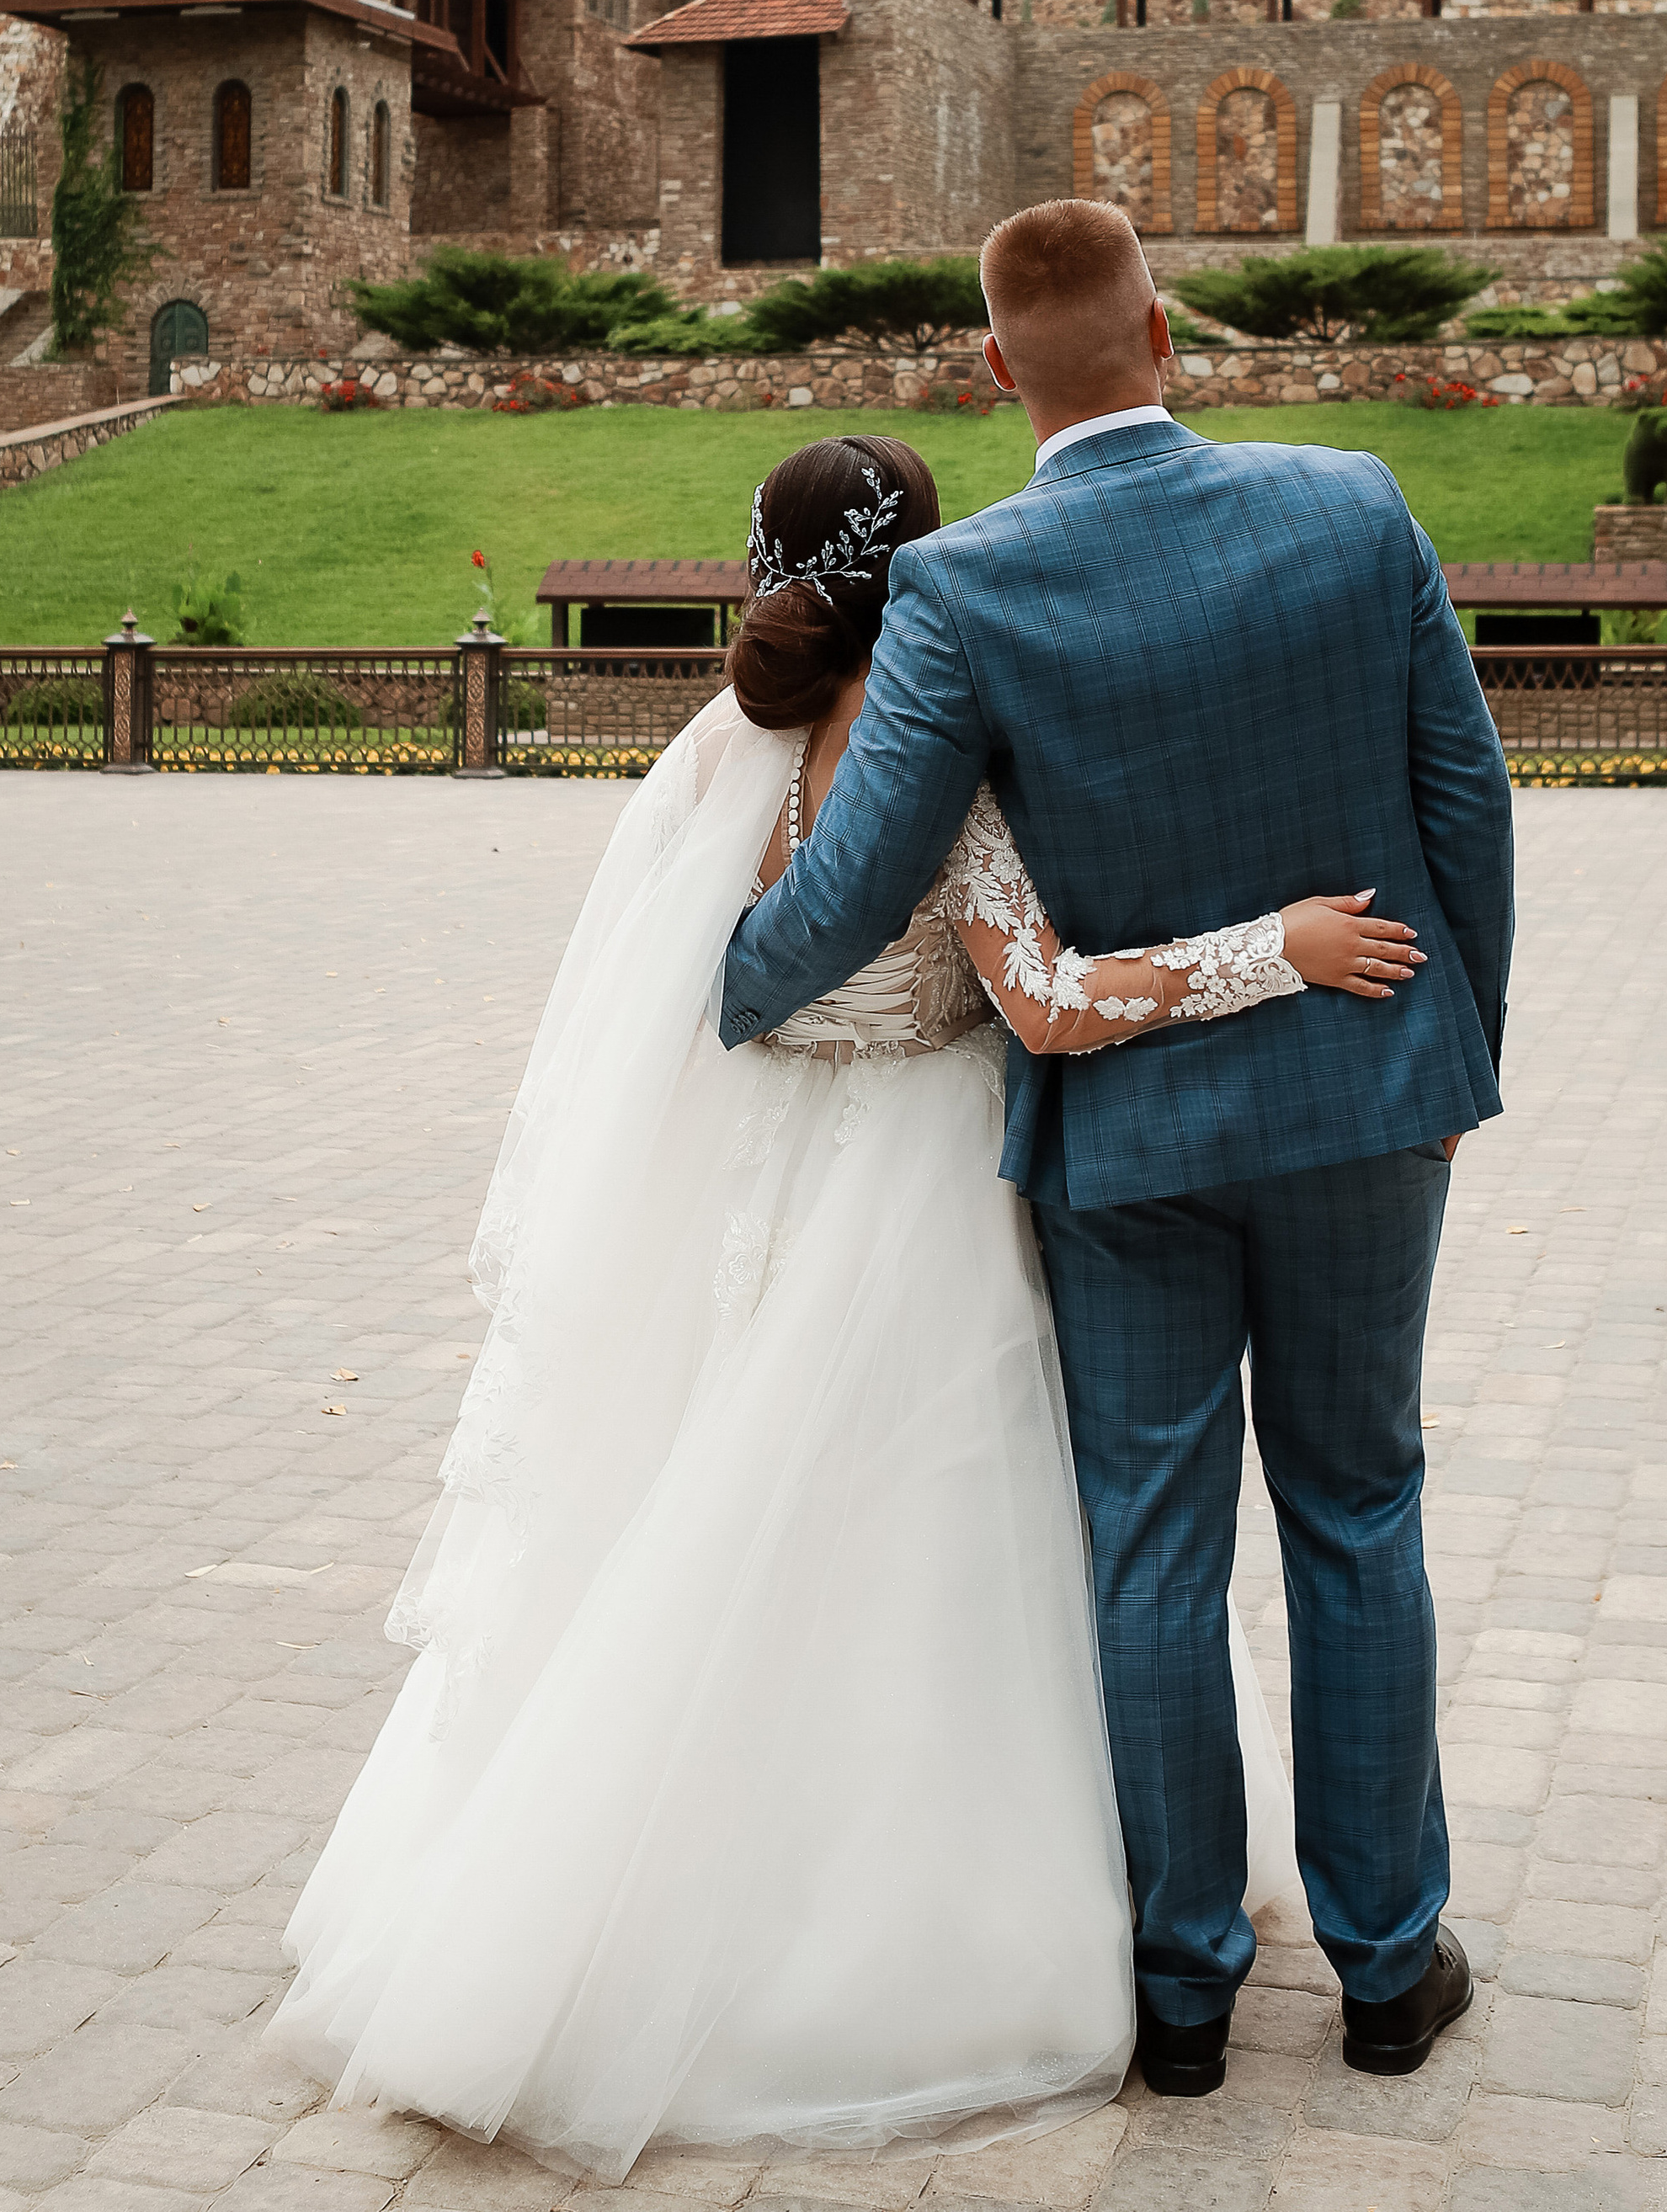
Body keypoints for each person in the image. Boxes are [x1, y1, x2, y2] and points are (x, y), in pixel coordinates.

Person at [269, 428, 1427, 2175]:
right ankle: (911, 1952)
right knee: (934, 1557)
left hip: (774, 1199)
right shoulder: (930, 764)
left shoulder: (725, 760)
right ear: (934, 567)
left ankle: (604, 1912)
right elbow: (1042, 1004)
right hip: (921, 1209)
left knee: (730, 1535)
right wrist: (1285, 946)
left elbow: (709, 991)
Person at [722, 199, 1514, 2101]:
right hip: (1362, 1098)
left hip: (1130, 1149)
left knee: (1147, 1548)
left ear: (995, 372)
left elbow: (856, 883)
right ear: (1167, 331)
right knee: (1358, 1518)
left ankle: (1181, 1994)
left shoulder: (966, 591)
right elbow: (1462, 800)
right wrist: (1443, 1052)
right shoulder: (1352, 502)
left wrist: (720, 989)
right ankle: (1390, 1969)